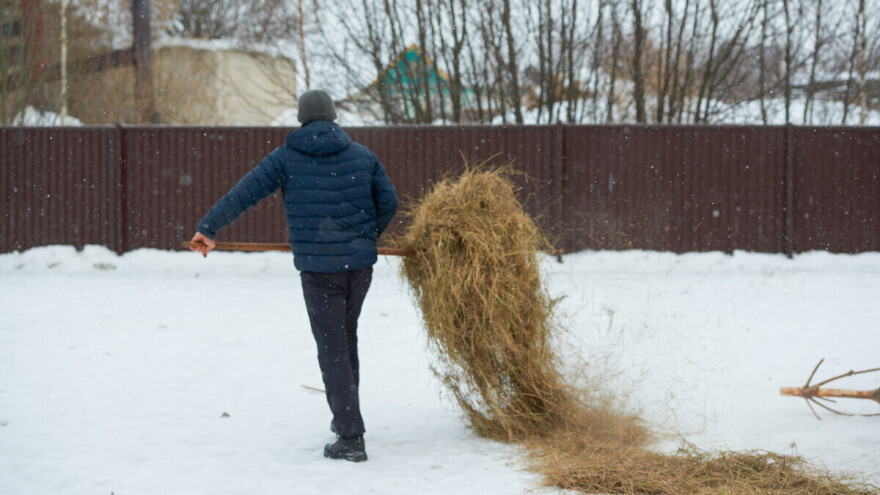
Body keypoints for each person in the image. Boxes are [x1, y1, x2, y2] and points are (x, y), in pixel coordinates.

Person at [189, 89, 398, 463]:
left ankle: (350, 437)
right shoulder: (364, 157)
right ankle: (346, 419)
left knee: (333, 350)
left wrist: (209, 227)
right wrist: (365, 239)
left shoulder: (285, 158)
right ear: (334, 117)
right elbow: (389, 202)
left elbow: (244, 193)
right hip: (359, 268)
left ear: (301, 119)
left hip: (320, 271)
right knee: (346, 342)